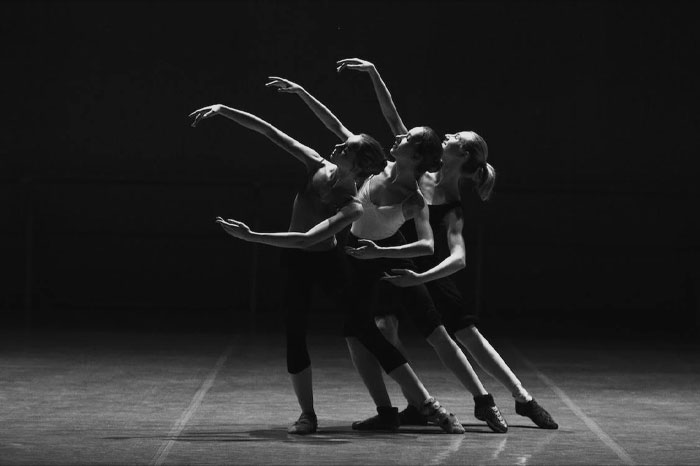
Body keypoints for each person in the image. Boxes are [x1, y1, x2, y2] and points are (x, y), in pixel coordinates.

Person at [190, 78, 464, 435]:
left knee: (365, 331)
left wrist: (252, 235)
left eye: (345, 148)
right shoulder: (316, 163)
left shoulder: (351, 205)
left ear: (357, 163)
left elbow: (307, 239)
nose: (337, 145)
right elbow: (272, 132)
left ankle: (427, 404)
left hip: (326, 262)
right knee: (295, 332)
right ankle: (308, 414)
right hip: (295, 263)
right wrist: (225, 110)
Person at [338, 57, 559, 431]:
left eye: (455, 137)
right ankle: (415, 402)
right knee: (385, 324)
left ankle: (521, 399)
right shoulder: (419, 172)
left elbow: (457, 258)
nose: (447, 135)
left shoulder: (453, 205)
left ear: (465, 154)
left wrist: (422, 276)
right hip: (398, 261)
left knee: (463, 334)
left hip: (430, 269)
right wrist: (375, 73)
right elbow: (393, 118)